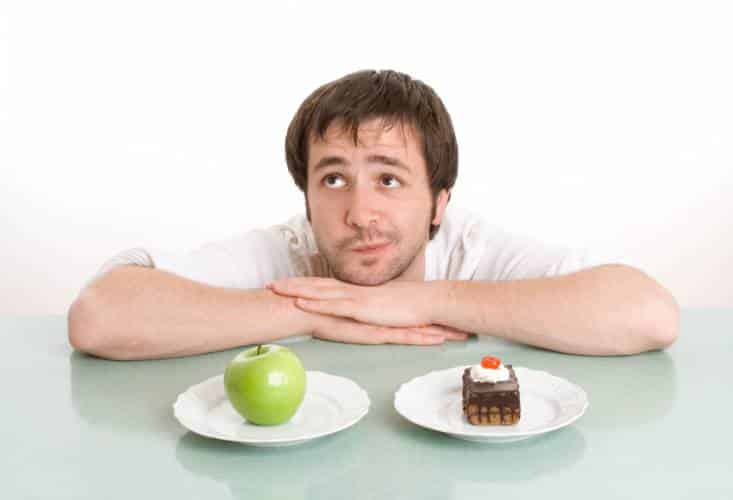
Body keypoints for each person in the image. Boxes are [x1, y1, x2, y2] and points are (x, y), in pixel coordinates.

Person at [68, 69, 679, 360]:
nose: (360, 213)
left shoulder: (472, 248)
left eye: (389, 179)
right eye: (334, 179)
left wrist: (423, 301)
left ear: (440, 202)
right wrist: (318, 312)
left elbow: (647, 313)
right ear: (306, 197)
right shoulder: (289, 250)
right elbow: (100, 315)